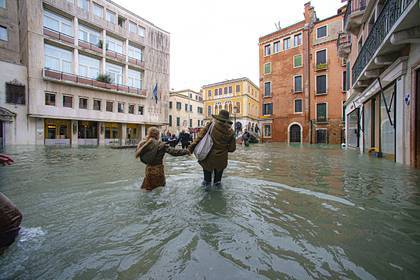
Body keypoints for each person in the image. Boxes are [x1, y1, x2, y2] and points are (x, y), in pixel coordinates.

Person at [188, 110, 236, 187]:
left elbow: (199, 137)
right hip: (221, 160)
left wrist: (190, 148)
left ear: (218, 118)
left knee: (206, 183)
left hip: (208, 158)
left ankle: (206, 198)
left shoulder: (211, 126)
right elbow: (232, 149)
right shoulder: (231, 132)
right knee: (218, 183)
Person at [135, 127, 190, 191]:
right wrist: (186, 151)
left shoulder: (144, 144)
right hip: (158, 172)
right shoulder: (161, 145)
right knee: (159, 191)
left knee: (147, 190)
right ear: (158, 135)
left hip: (148, 171)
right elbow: (174, 152)